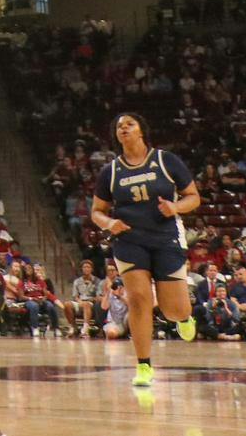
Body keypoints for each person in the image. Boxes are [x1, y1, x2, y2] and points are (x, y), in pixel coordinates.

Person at [91, 112, 200, 387]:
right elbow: (96, 212)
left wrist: (175, 207)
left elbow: (193, 197)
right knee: (138, 299)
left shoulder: (166, 160)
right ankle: (143, 366)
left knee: (172, 309)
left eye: (130, 124)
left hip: (166, 237)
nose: (124, 128)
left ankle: (183, 317)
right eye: (119, 126)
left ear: (141, 130)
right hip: (129, 240)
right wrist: (109, 222)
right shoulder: (111, 171)